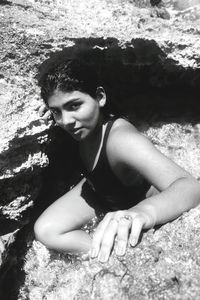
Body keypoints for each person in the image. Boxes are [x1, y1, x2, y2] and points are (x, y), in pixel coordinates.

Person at [34, 59, 200, 263]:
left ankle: (116, 255)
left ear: (100, 97)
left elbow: (191, 187)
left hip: (130, 200)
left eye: (74, 106)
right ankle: (102, 251)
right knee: (46, 230)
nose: (66, 121)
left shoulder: (121, 140)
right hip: (100, 188)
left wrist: (142, 212)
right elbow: (66, 108)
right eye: (56, 111)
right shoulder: (79, 123)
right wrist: (56, 108)